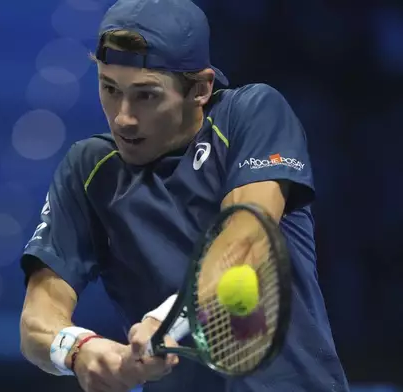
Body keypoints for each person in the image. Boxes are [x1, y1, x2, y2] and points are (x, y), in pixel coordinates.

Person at [18, 0, 350, 391]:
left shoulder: (251, 113)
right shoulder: (89, 169)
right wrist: (77, 349)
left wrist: (167, 319)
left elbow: (246, 239)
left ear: (200, 88)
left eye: (146, 95)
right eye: (109, 88)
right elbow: (37, 319)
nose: (123, 116)